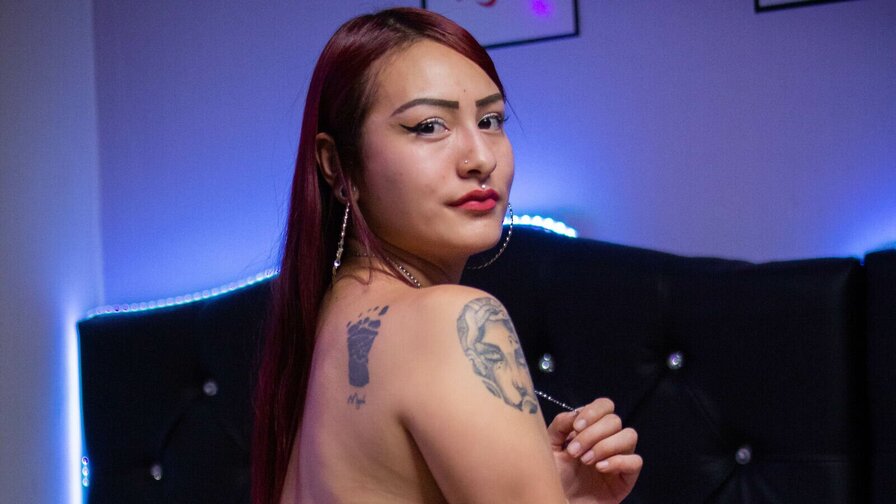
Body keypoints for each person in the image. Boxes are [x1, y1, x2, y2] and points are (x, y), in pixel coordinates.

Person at [252, 7, 642, 503]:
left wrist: (560, 491)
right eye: (428, 126)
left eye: (490, 120)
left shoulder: (328, 323)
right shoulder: (452, 318)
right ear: (337, 165)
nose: (480, 158)